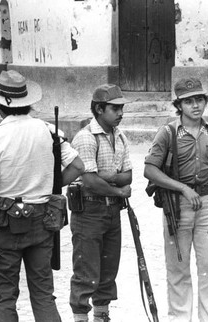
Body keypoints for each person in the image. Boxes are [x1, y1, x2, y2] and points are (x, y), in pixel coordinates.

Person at [0, 70, 84, 322]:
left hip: (5, 224)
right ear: (28, 103)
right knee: (43, 295)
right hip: (42, 221)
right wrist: (51, 186)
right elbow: (78, 166)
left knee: (4, 296)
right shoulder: (47, 131)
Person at [144, 77, 208, 321]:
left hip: (207, 203)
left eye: (199, 99)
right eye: (188, 101)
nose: (195, 105)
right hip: (177, 207)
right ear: (178, 105)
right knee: (178, 269)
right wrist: (182, 188)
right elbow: (150, 169)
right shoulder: (168, 132)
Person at [69, 84, 133, 322]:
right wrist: (118, 189)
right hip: (89, 210)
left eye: (121, 108)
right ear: (99, 109)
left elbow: (128, 176)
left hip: (112, 211)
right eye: (114, 108)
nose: (120, 113)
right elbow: (90, 182)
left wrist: (107, 178)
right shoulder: (86, 138)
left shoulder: (120, 136)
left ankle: (101, 316)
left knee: (108, 271)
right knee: (86, 271)